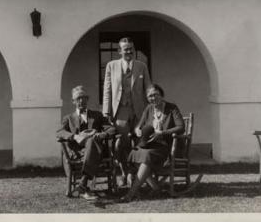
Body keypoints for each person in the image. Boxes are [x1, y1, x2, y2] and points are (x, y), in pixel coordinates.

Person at [119, 84, 184, 202]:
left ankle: (130, 194)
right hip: (149, 145)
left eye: (155, 95)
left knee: (146, 156)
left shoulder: (172, 108)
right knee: (135, 153)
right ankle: (156, 187)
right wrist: (137, 130)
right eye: (150, 96)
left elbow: (180, 127)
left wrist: (163, 133)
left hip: (165, 146)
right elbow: (139, 125)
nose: (153, 98)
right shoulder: (149, 108)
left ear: (161, 95)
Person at [102, 37, 152, 186]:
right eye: (125, 49)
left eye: (131, 48)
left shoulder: (141, 66)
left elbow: (148, 86)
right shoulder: (111, 66)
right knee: (120, 144)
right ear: (119, 51)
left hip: (139, 112)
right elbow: (107, 90)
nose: (129, 51)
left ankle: (138, 176)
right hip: (120, 111)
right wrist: (106, 111)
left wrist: (153, 106)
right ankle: (124, 173)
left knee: (140, 143)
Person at [57, 85, 116, 200]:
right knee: (90, 142)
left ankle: (82, 185)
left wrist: (102, 135)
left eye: (84, 97)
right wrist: (74, 136)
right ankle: (84, 186)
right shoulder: (68, 118)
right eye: (78, 98)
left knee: (92, 140)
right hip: (78, 152)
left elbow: (112, 129)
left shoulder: (97, 115)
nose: (81, 100)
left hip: (96, 150)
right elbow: (59, 132)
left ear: (87, 99)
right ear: (73, 101)